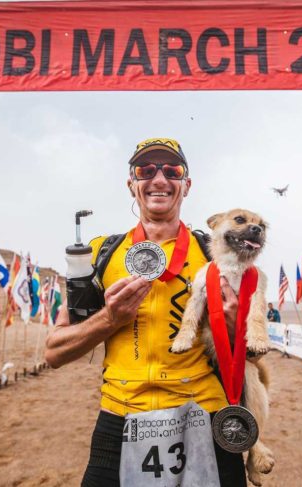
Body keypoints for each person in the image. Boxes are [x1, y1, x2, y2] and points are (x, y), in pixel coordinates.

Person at [45, 138, 248, 486]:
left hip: (204, 414)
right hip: (120, 415)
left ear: (186, 185)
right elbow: (55, 352)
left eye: (172, 170)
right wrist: (110, 319)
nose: (158, 179)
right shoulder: (99, 254)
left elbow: (254, 352)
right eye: (145, 170)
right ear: (131, 184)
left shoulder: (215, 255)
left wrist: (233, 324)